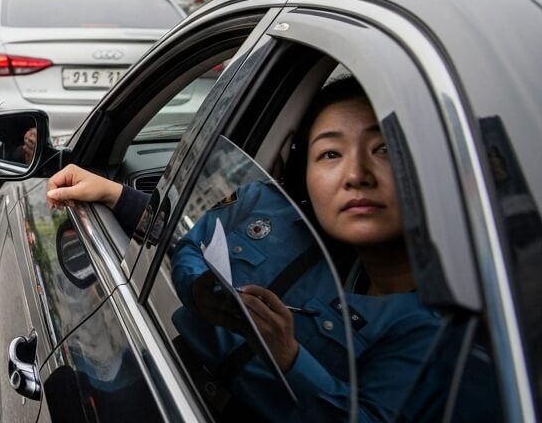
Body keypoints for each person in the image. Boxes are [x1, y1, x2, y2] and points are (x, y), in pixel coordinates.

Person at [45, 77, 442, 421]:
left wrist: (288, 357)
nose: (356, 175)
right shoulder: (263, 202)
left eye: (385, 149)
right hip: (168, 367)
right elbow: (185, 241)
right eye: (331, 154)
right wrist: (201, 288)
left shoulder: (439, 332)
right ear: (302, 165)